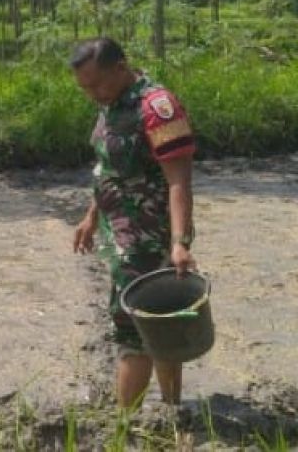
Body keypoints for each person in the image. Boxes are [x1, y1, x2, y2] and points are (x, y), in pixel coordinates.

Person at [69, 37, 197, 409]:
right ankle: (170, 413)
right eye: (84, 88)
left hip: (149, 236)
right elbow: (110, 169)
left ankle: (126, 428)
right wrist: (91, 217)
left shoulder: (158, 108)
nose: (92, 93)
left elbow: (179, 180)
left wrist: (179, 242)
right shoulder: (112, 104)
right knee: (158, 325)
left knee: (136, 330)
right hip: (120, 234)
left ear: (121, 68)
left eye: (97, 83)